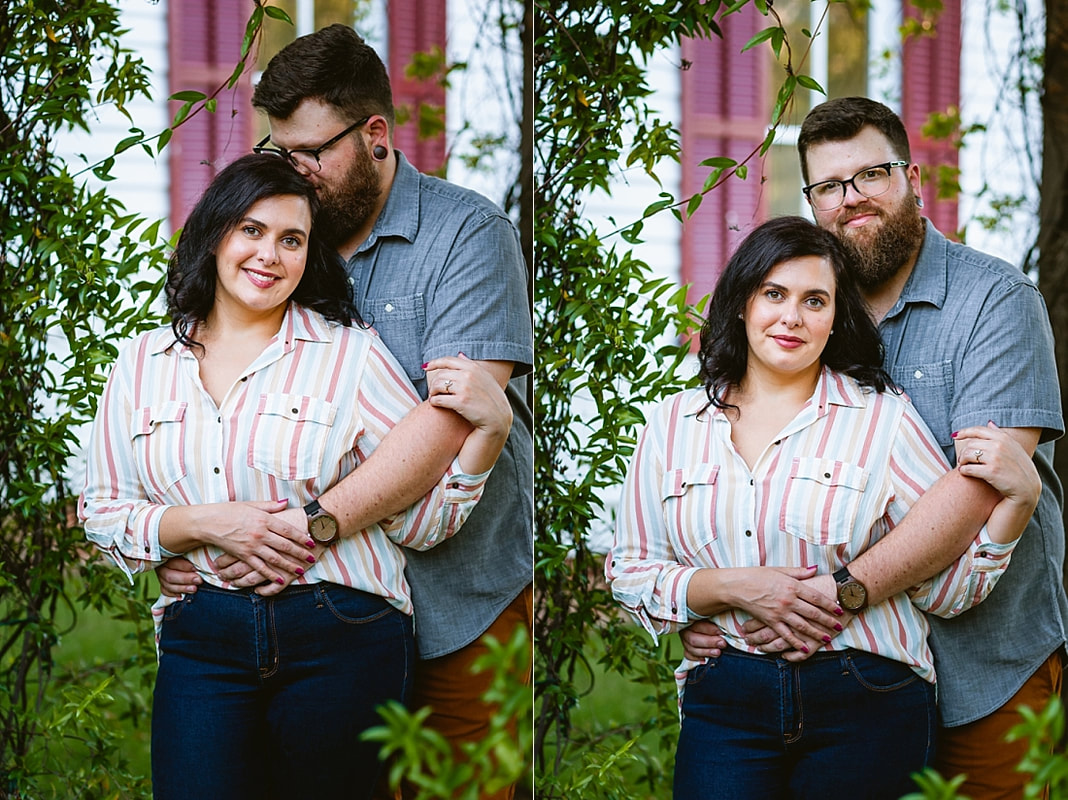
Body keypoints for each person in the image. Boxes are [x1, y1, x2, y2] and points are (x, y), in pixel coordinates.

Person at [155, 24, 533, 800]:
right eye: (277, 150)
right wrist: (192, 532)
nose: (293, 171)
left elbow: (448, 420)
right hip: (322, 610)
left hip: (457, 598)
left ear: (375, 135)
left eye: (311, 153)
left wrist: (307, 526)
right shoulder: (284, 243)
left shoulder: (467, 235)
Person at [79, 153, 513, 799]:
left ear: (310, 256)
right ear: (215, 233)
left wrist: (488, 436)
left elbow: (420, 526)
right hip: (202, 636)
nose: (269, 255)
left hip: (341, 629)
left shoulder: (351, 355)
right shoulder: (143, 363)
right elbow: (102, 510)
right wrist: (198, 526)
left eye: (292, 239)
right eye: (251, 230)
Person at [682, 97, 1067, 799]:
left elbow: (980, 486)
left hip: (986, 665)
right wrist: (725, 608)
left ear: (913, 178)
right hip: (851, 681)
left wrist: (840, 592)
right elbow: (749, 466)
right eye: (829, 187)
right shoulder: (807, 312)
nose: (850, 200)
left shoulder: (994, 302)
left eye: (870, 176)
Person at [607, 215, 1040, 799]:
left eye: (815, 300)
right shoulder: (672, 425)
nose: (791, 317)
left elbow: (943, 591)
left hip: (866, 694)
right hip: (727, 699)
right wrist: (728, 588)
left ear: (836, 319)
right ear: (741, 303)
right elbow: (631, 572)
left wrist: (1017, 503)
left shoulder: (882, 420)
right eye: (774, 294)